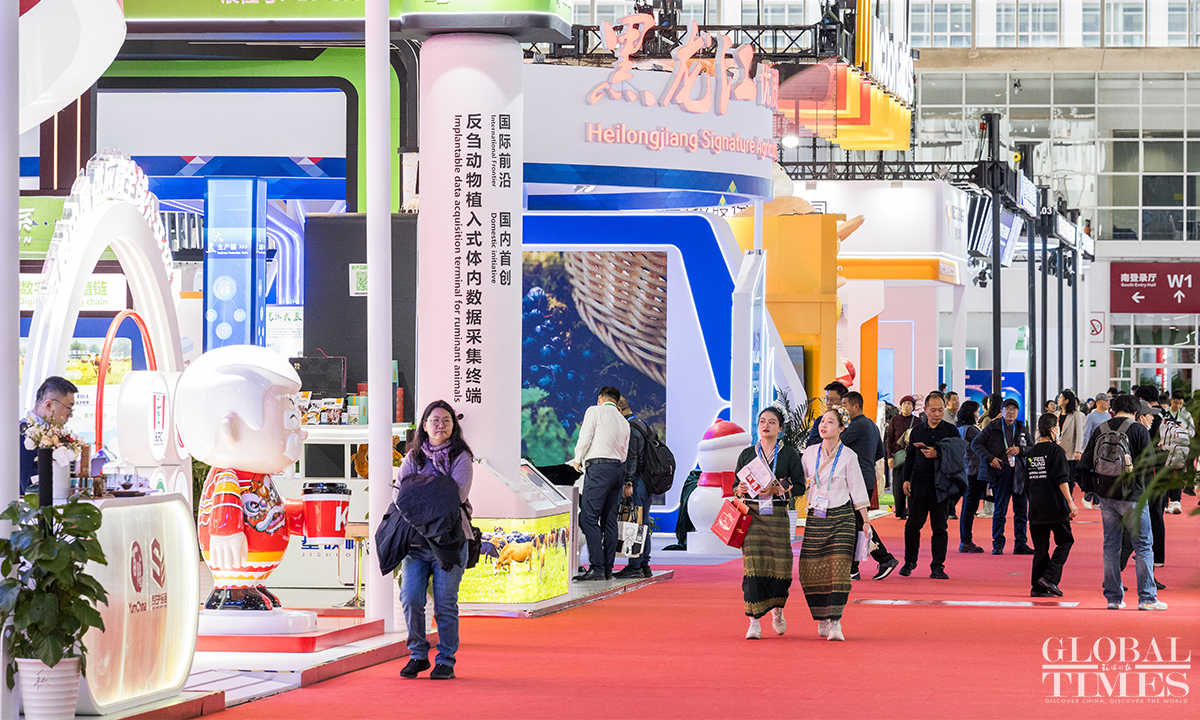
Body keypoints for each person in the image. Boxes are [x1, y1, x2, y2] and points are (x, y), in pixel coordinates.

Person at [397, 400, 475, 680]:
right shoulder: (413, 456)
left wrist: (419, 491)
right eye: (435, 420)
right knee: (410, 598)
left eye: (446, 420)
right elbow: (400, 495)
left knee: (445, 604)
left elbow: (456, 496)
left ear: (454, 425)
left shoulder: (461, 457)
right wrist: (435, 490)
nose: (440, 425)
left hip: (450, 542)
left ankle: (445, 660)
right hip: (416, 543)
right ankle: (418, 655)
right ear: (424, 425)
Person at [1076, 394, 1165, 611]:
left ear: (1113, 410)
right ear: (1136, 411)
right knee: (1143, 546)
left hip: (1107, 495)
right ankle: (1147, 598)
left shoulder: (1102, 429)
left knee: (1111, 546)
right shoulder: (1138, 429)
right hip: (1133, 496)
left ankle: (1113, 598)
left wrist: (1092, 488)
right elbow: (1149, 463)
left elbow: (1085, 462)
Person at [799, 408, 871, 641]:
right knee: (811, 569)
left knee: (839, 570)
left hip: (842, 517)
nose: (823, 425)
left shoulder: (849, 456)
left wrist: (865, 520)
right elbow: (798, 481)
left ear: (841, 428)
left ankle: (835, 621)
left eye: (830, 422)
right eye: (822, 421)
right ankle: (822, 615)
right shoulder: (810, 453)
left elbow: (857, 488)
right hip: (816, 517)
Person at [734, 407, 804, 639]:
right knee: (752, 566)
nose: (766, 425)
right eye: (762, 421)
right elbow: (735, 485)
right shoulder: (747, 454)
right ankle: (753, 621)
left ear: (780, 428)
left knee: (780, 564)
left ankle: (777, 610)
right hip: (752, 516)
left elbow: (800, 486)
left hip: (777, 515)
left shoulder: (789, 454)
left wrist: (777, 489)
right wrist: (739, 488)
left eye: (772, 422)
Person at [571, 386, 630, 581]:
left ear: (599, 399)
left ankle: (596, 567)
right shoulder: (624, 422)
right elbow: (624, 453)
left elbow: (585, 437)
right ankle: (607, 568)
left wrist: (577, 459)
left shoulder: (594, 411)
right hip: (617, 470)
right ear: (617, 402)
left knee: (588, 518)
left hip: (599, 469)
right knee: (609, 520)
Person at [899, 391, 960, 579]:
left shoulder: (951, 431)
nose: (937, 414)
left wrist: (938, 453)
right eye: (933, 410)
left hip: (941, 486)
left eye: (940, 410)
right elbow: (909, 457)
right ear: (925, 410)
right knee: (912, 526)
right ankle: (909, 561)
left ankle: (937, 566)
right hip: (919, 484)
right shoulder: (916, 431)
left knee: (940, 527)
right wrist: (906, 479)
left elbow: (958, 457)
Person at [840, 392, 899, 580]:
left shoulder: (856, 426)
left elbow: (837, 442)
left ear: (855, 406)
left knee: (858, 522)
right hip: (866, 477)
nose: (842, 408)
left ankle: (884, 558)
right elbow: (879, 453)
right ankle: (853, 568)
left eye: (844, 404)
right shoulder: (871, 425)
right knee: (855, 523)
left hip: (856, 480)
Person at [1025, 413, 1078, 598]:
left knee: (1041, 548)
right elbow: (1062, 479)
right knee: (1065, 541)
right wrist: (1070, 502)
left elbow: (1027, 482)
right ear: (1053, 429)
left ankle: (1037, 587)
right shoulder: (1056, 451)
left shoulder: (1031, 453)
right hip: (1055, 505)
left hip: (1035, 506)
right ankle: (1049, 577)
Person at [972, 398, 1033, 556]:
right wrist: (990, 458)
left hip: (1019, 473)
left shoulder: (1021, 428)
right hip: (1001, 471)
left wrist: (1020, 450)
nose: (1011, 412)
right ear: (1002, 411)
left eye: (1014, 409)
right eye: (1008, 409)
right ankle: (998, 544)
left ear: (1017, 412)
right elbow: (976, 444)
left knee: (1021, 511)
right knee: (1000, 510)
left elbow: (1032, 448)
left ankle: (1021, 544)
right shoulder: (993, 426)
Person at [613, 396, 653, 578]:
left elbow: (632, 458)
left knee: (635, 521)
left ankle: (635, 566)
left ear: (619, 410)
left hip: (637, 481)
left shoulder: (629, 427)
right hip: (646, 480)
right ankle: (644, 564)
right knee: (643, 522)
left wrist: (628, 482)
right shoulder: (642, 423)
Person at [19, 376, 78, 495]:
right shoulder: (25, 436)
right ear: (49, 405)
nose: (70, 415)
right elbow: (30, 489)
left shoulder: (45, 434)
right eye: (68, 408)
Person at [955, 401, 987, 553]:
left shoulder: (959, 429)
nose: (978, 414)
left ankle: (966, 539)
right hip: (974, 470)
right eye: (977, 411)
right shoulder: (972, 430)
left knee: (967, 505)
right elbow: (982, 445)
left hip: (965, 469)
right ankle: (966, 540)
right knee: (970, 506)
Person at [885, 395, 918, 520]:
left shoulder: (917, 421)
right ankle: (900, 511)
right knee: (898, 484)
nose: (907, 406)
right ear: (901, 406)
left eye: (909, 404)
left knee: (913, 483)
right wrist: (889, 456)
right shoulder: (895, 420)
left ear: (913, 407)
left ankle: (912, 510)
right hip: (898, 456)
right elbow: (890, 439)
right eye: (904, 404)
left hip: (913, 457)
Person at [1162, 390, 1194, 515]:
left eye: (1181, 403)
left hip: (1181, 449)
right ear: (1171, 400)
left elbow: (1192, 432)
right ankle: (1165, 503)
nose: (1178, 406)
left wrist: (1184, 430)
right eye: (1176, 403)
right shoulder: (1165, 413)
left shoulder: (1186, 415)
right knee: (1166, 475)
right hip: (1166, 449)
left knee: (1178, 475)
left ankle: (1176, 501)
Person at [1056, 390, 1086, 492]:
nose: (1058, 400)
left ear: (1067, 401)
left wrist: (1078, 450)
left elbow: (1079, 434)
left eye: (1060, 398)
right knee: (1058, 476)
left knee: (1068, 477)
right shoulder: (1056, 414)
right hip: (1057, 449)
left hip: (1070, 451)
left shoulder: (1076, 415)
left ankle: (1069, 497)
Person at [807, 381, 848, 447]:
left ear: (843, 401)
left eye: (832, 399)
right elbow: (810, 443)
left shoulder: (849, 422)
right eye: (826, 399)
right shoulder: (820, 420)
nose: (828, 403)